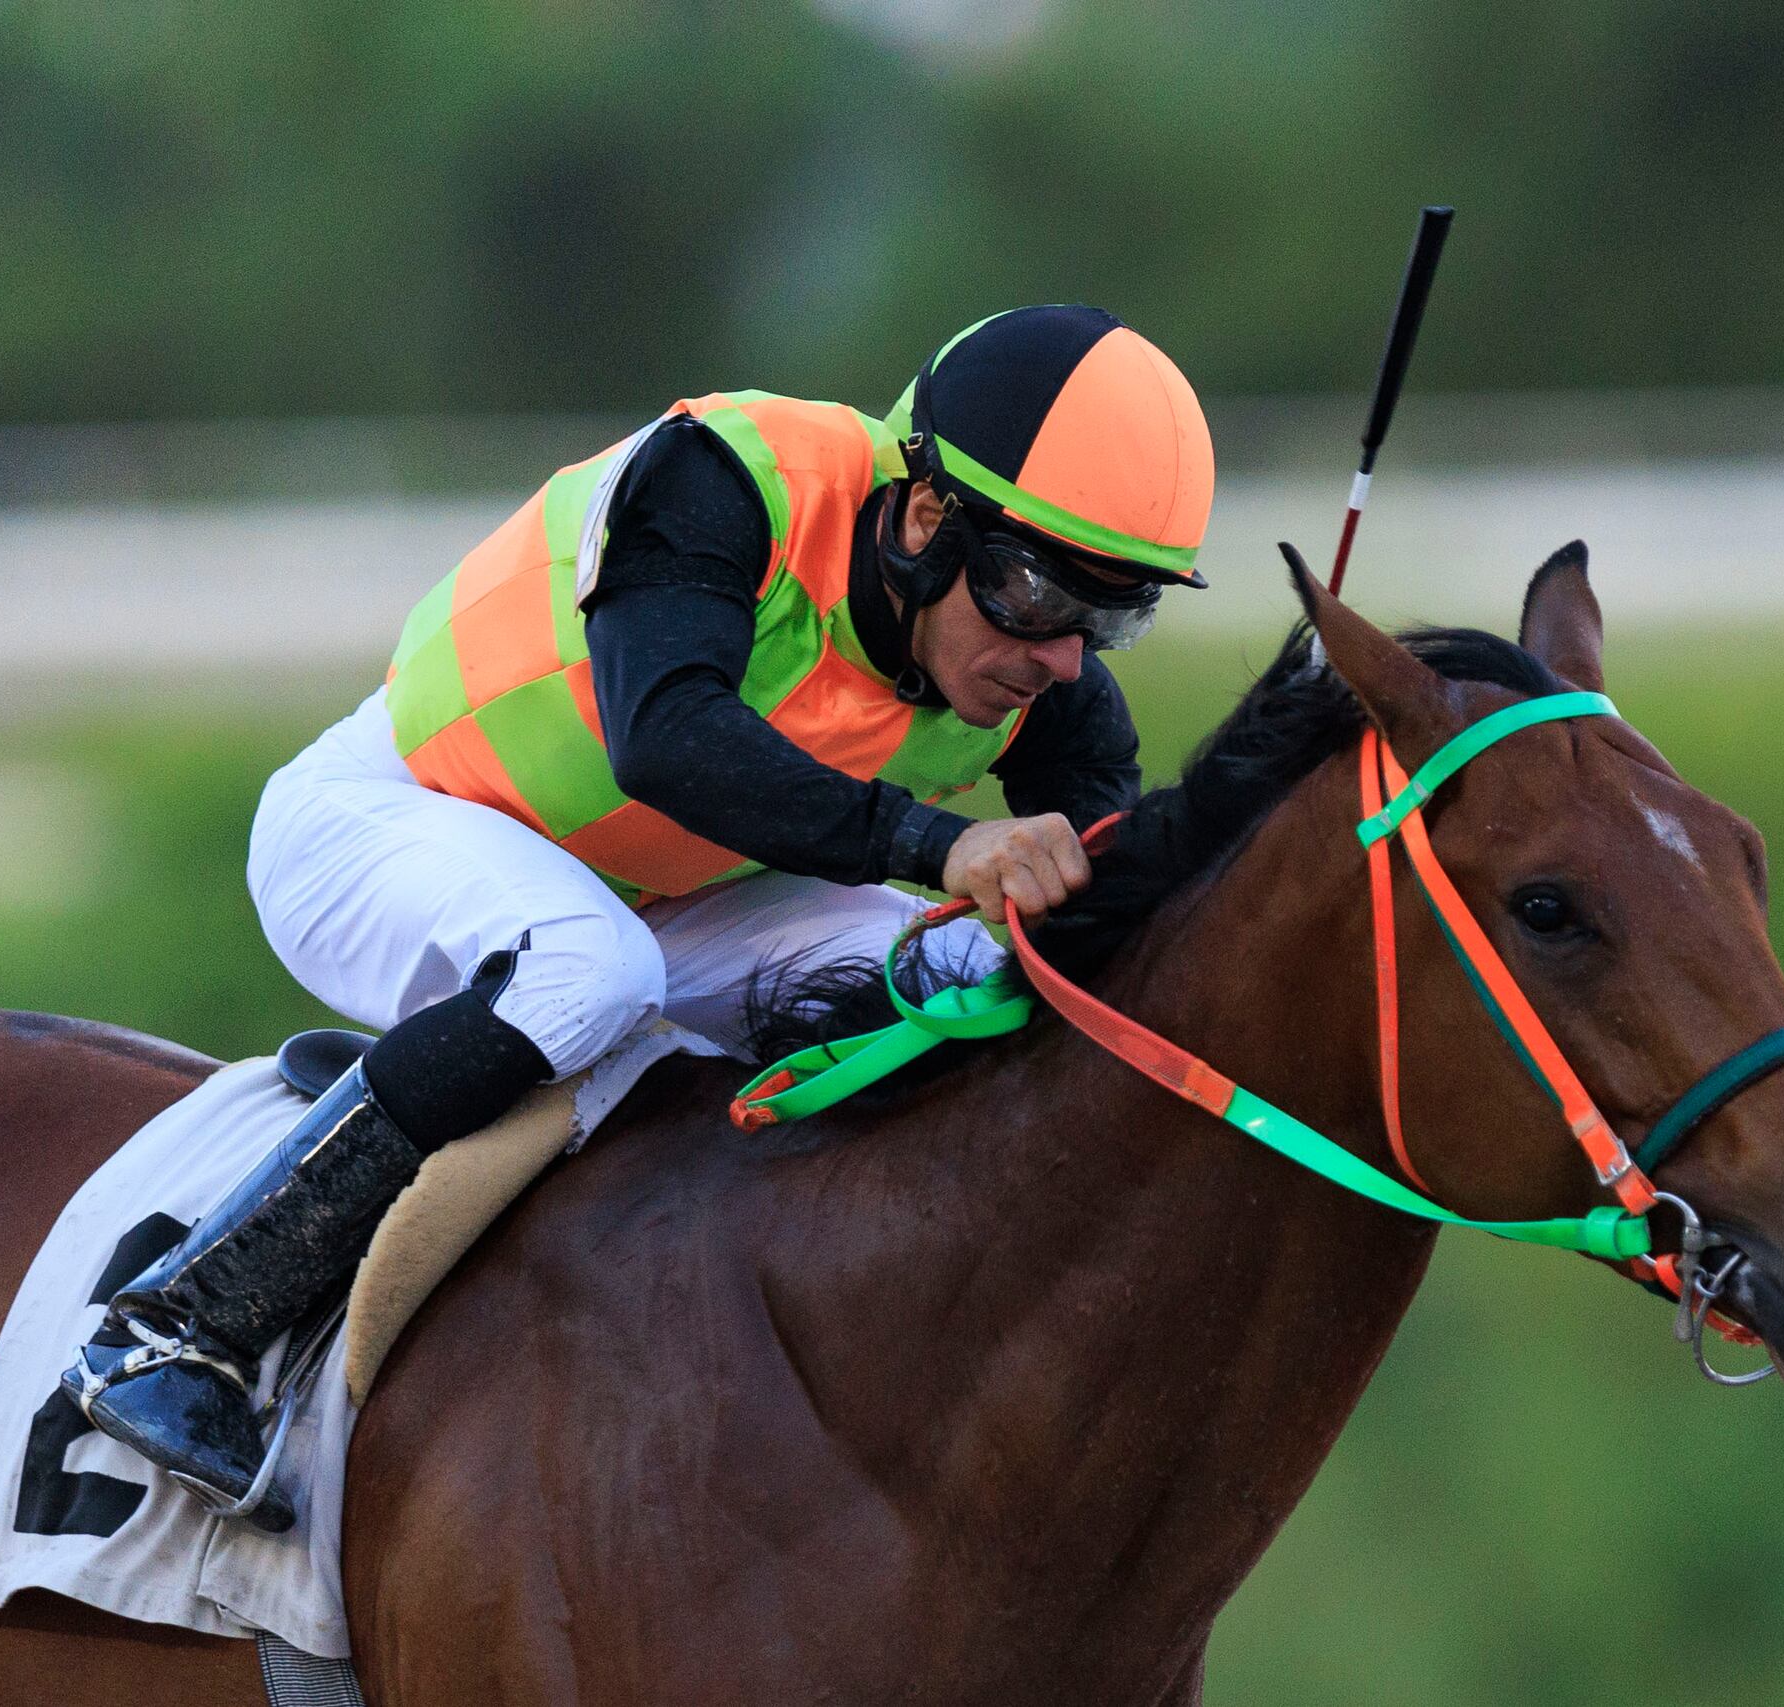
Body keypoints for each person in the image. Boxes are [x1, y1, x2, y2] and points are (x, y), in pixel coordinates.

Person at [63, 304, 1216, 1525]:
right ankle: (180, 1321)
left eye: (1113, 614)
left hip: (660, 905)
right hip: (382, 825)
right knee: (589, 968)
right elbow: (667, 738)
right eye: (1039, 593)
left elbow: (1108, 902)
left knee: (959, 973)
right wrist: (944, 842)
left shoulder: (1027, 658)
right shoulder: (727, 480)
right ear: (928, 519)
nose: (1064, 660)